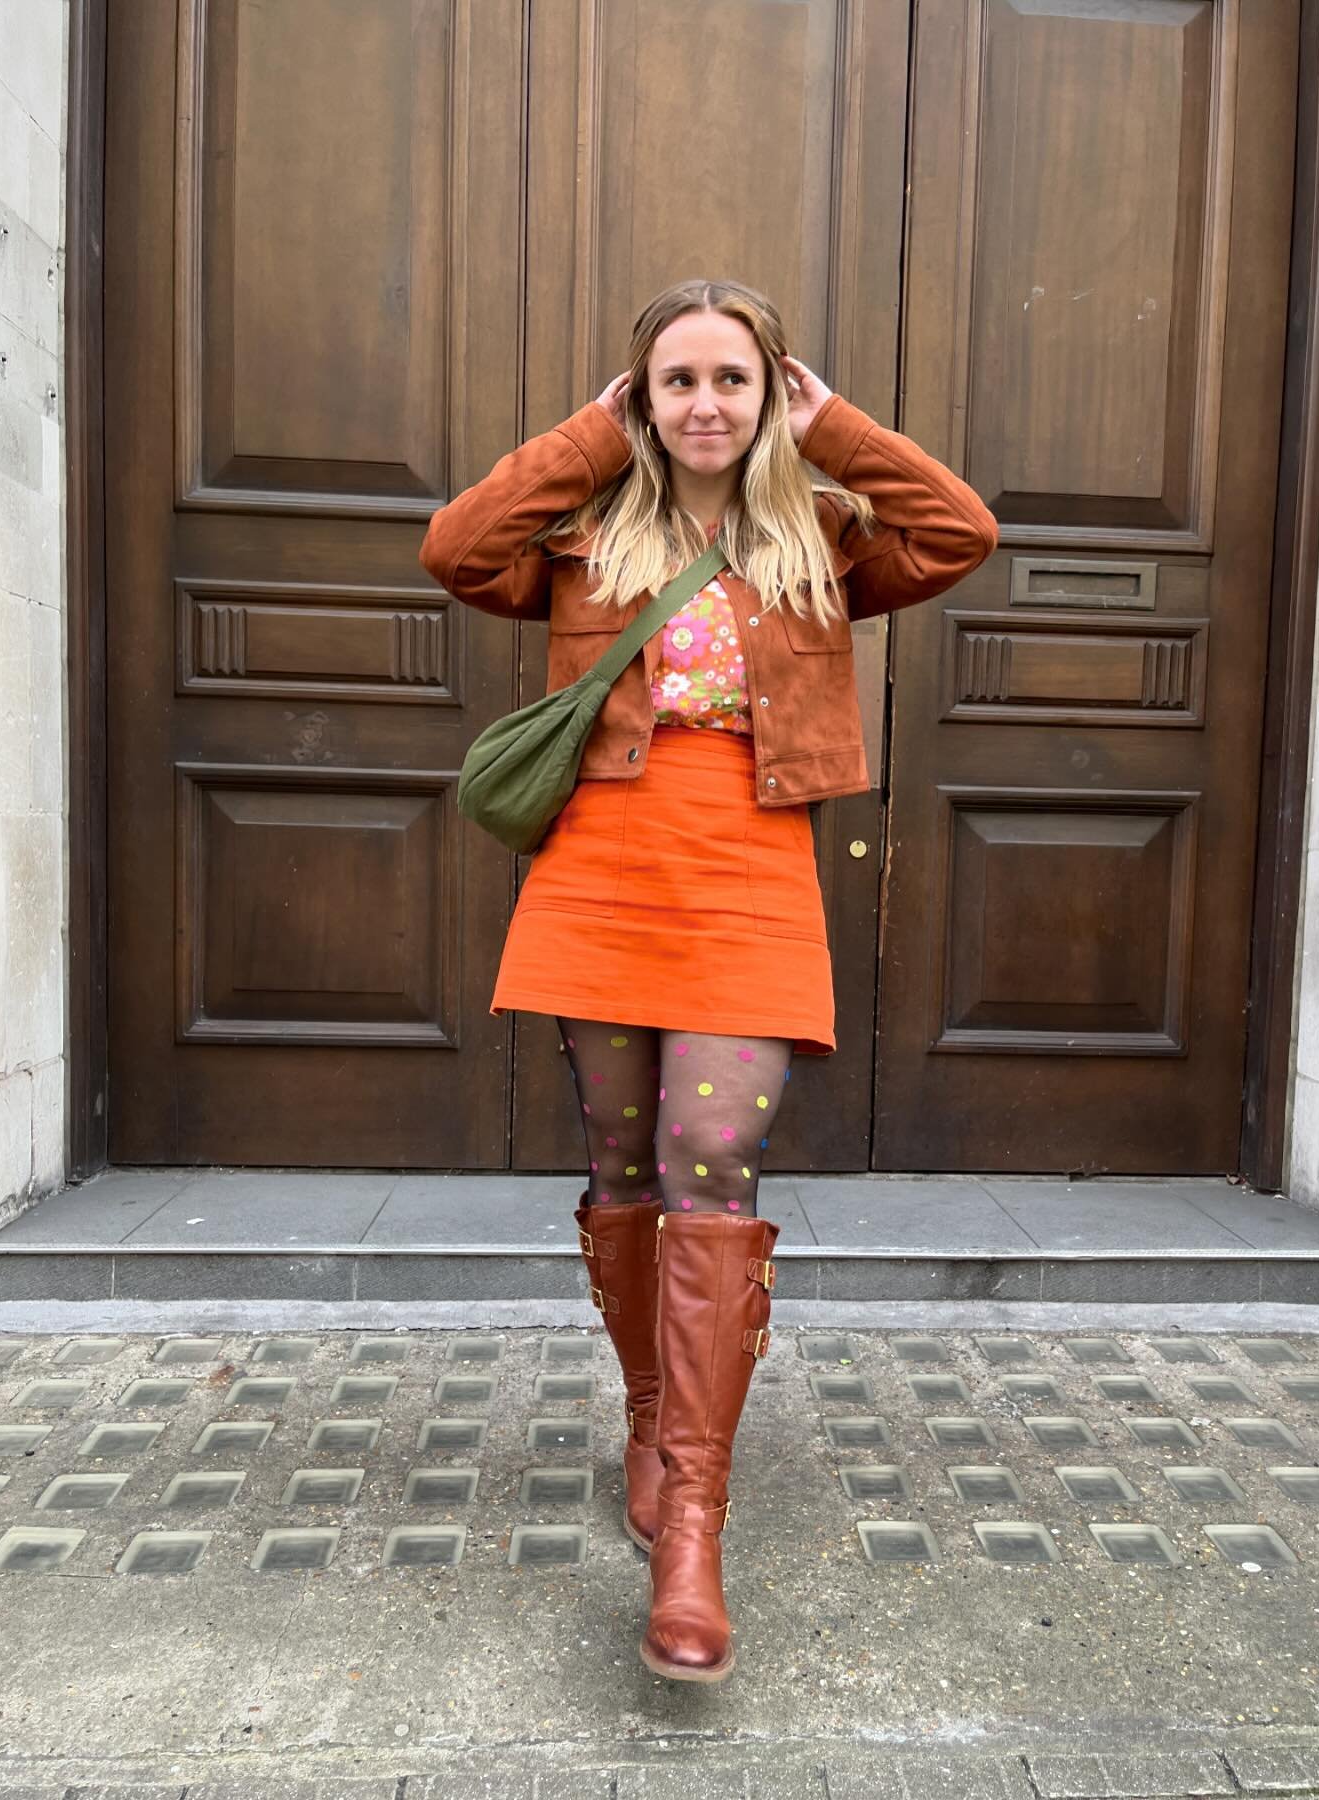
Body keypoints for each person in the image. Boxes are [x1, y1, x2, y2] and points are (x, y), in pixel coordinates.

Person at [417, 277, 998, 1682]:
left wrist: (840, 429)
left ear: (771, 391)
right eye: (676, 380)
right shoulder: (585, 531)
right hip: (602, 867)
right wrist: (589, 438)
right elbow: (454, 547)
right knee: (622, 1164)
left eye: (731, 379)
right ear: (642, 396)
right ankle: (645, 1410)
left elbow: (961, 531)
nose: (704, 405)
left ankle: (694, 1523)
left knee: (711, 1158)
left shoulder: (819, 537)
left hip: (748, 873)